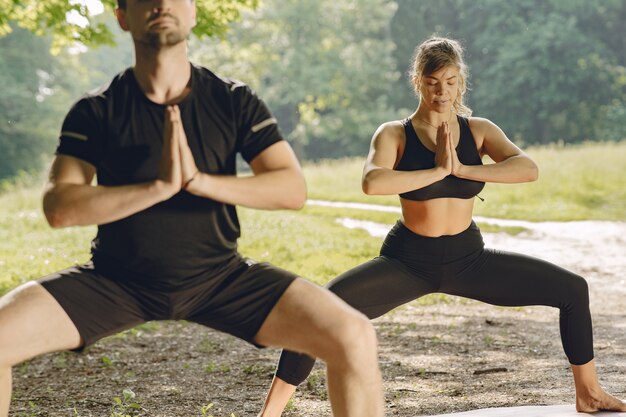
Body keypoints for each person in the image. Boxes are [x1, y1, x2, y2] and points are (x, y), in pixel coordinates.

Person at [0, 1, 385, 416]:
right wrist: (158, 187)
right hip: (114, 282)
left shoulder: (233, 100)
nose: (163, 3)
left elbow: (291, 189)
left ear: (194, 12)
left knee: (353, 334)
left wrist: (198, 182)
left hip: (222, 279)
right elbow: (59, 207)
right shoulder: (95, 111)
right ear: (123, 16)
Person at [257, 36, 626, 417]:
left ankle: (590, 393)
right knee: (318, 312)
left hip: (470, 259)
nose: (442, 91)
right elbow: (373, 182)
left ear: (460, 82)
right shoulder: (394, 133)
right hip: (408, 263)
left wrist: (462, 168)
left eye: (450, 82)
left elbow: (528, 169)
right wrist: (435, 169)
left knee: (572, 289)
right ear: (418, 81)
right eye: (433, 82)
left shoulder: (478, 130)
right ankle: (269, 414)